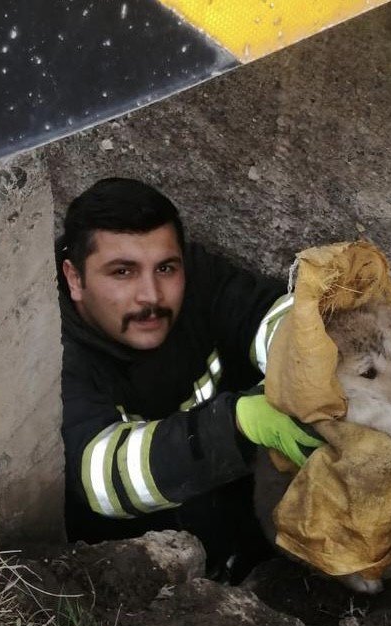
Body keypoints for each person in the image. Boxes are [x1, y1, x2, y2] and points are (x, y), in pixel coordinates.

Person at [54, 177, 321, 581]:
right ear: (75, 278)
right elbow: (98, 476)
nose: (152, 296)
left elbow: (265, 314)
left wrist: (321, 360)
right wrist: (240, 425)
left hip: (235, 522)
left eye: (165, 268)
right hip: (140, 579)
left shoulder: (199, 280)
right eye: (122, 272)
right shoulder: (54, 352)